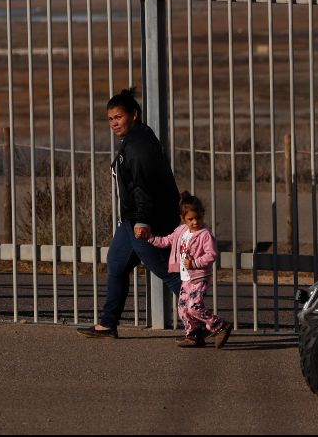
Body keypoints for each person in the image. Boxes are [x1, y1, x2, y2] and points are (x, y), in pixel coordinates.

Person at [78, 88, 182, 339]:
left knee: (168, 273)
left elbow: (142, 187)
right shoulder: (136, 140)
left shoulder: (138, 147)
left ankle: (205, 322)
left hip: (143, 221)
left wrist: (143, 221)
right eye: (110, 119)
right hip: (131, 221)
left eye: (118, 117)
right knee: (116, 264)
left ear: (133, 115)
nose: (114, 123)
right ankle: (108, 323)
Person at [149, 191, 231, 349]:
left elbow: (211, 255)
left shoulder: (205, 234)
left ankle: (220, 325)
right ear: (183, 219)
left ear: (203, 214)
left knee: (194, 307)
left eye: (198, 218)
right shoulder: (181, 231)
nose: (195, 222)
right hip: (186, 278)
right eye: (190, 219)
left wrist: (195, 263)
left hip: (199, 277)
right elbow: (166, 241)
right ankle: (193, 335)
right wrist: (150, 238)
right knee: (182, 309)